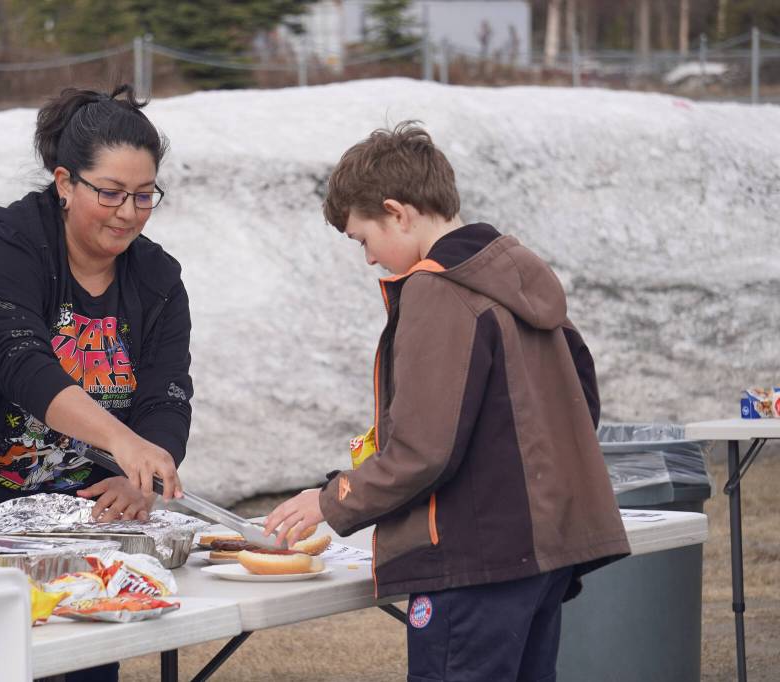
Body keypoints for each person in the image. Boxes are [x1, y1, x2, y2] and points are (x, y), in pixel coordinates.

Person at [263, 122, 631, 682]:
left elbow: (422, 449)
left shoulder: (439, 290)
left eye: (364, 239)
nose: (368, 259)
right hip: (541, 553)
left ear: (398, 212)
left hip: (474, 562)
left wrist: (332, 499)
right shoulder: (514, 276)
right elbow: (581, 399)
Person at [0, 84, 188, 533]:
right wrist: (122, 440)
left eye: (143, 195)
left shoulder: (158, 280)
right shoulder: (6, 251)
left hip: (66, 525)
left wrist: (143, 474)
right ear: (65, 183)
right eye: (111, 193)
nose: (128, 213)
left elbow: (168, 393)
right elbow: (26, 369)